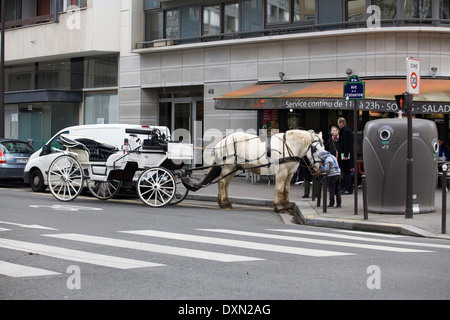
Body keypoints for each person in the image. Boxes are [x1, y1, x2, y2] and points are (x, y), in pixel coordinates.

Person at [337, 117, 354, 194]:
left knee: (346, 172)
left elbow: (348, 144)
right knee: (344, 172)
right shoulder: (344, 131)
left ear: (341, 123)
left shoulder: (346, 131)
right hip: (343, 154)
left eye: (338, 123)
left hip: (345, 155)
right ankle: (345, 188)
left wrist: (346, 155)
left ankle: (348, 189)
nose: (338, 125)